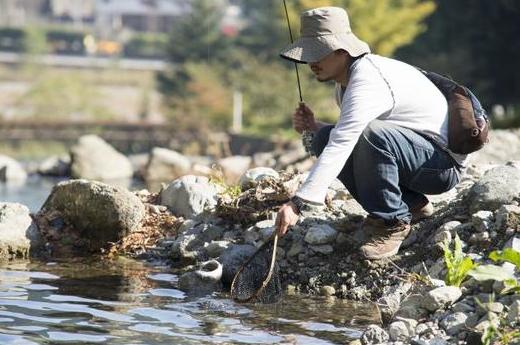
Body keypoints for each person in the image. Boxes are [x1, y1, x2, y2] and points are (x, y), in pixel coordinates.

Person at [275, 6, 466, 260]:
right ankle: (413, 206)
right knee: (324, 138)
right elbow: (345, 136)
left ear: (343, 51)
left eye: (317, 54)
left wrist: (297, 203)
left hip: (442, 166)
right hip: (416, 157)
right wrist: (315, 126)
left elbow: (347, 140)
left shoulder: (367, 81)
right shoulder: (345, 83)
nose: (311, 63)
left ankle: (393, 224)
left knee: (368, 134)